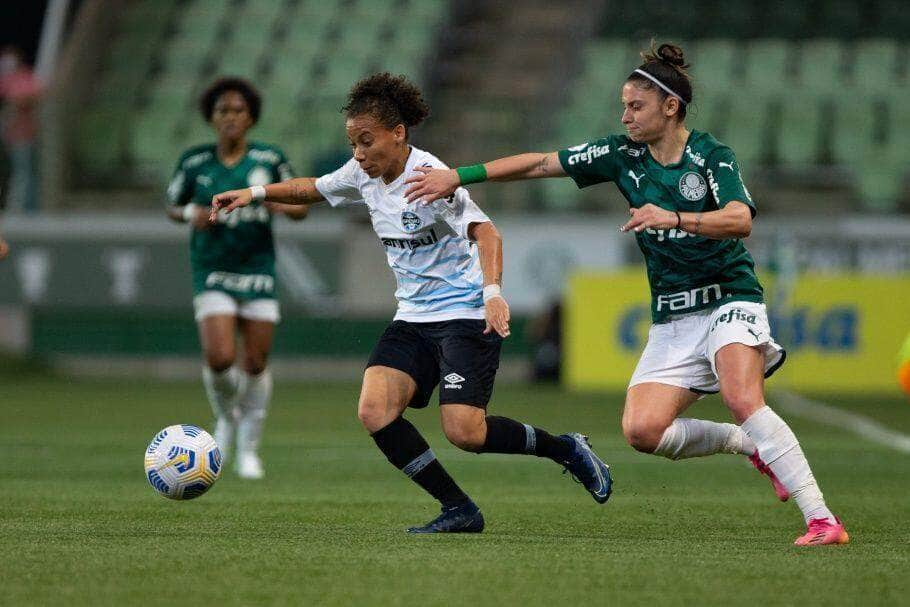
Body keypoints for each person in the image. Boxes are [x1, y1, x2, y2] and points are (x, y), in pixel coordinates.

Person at [403, 43, 848, 546]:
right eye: (623, 106)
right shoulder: (622, 155)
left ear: (670, 107)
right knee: (642, 432)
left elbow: (741, 219)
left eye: (635, 106)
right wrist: (458, 176)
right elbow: (540, 164)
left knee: (741, 395)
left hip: (729, 297)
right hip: (673, 316)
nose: (625, 116)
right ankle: (748, 445)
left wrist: (673, 217)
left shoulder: (710, 155)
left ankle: (822, 519)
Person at [212, 73, 612, 533]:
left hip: (464, 315)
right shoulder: (361, 175)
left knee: (465, 432)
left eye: (366, 142)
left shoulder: (430, 178)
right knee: (374, 410)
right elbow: (311, 189)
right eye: (353, 144)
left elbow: (487, 232)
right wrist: (255, 194)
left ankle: (565, 449)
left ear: (398, 134)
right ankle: (459, 509)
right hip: (413, 319)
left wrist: (493, 294)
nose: (358, 154)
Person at [166, 77, 307, 479]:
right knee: (220, 357)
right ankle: (225, 419)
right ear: (211, 117)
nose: (230, 117)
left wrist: (285, 207)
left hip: (257, 268)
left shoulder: (270, 159)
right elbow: (172, 206)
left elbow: (301, 205)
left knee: (256, 362)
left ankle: (249, 447)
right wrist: (188, 215)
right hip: (211, 268)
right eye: (222, 110)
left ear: (251, 118)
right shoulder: (195, 162)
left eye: (238, 110)